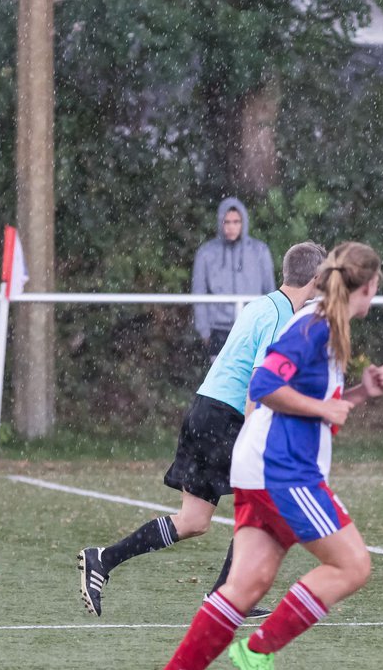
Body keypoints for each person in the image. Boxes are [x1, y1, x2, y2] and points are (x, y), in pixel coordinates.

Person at [145, 242, 383, 670]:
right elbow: (263, 386)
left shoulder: (327, 329)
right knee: (353, 565)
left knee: (247, 583)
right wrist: (325, 406)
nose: (375, 298)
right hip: (283, 470)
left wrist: (361, 393)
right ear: (363, 287)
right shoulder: (314, 328)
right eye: (375, 289)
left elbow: (317, 407)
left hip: (260, 466)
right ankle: (259, 650)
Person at [78, 241, 327, 619]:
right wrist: (255, 435)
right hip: (224, 417)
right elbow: (259, 384)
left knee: (193, 521)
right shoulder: (281, 319)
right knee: (267, 498)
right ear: (316, 278)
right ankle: (226, 597)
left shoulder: (262, 304)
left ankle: (103, 559)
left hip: (203, 411)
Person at [192, 197, 277, 360]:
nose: (231, 227)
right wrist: (204, 331)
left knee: (250, 379)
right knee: (221, 383)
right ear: (220, 222)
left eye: (236, 221)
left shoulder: (260, 251)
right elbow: (199, 293)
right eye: (227, 222)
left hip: (252, 328)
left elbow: (270, 291)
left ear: (243, 222)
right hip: (219, 329)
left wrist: (269, 328)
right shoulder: (206, 253)